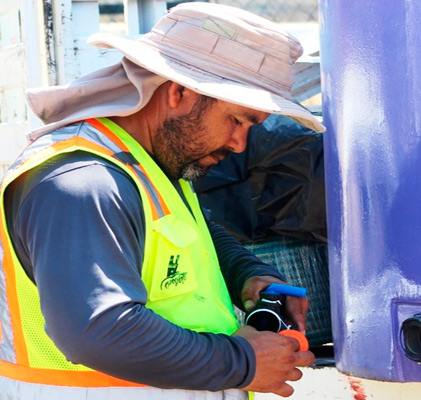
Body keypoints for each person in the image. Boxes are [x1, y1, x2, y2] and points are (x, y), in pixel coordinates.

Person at [0, 2, 325, 399]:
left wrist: (249, 273)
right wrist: (244, 362)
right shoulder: (83, 183)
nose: (240, 145)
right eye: (237, 120)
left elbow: (187, 234)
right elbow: (97, 331)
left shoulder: (148, 164)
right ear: (179, 92)